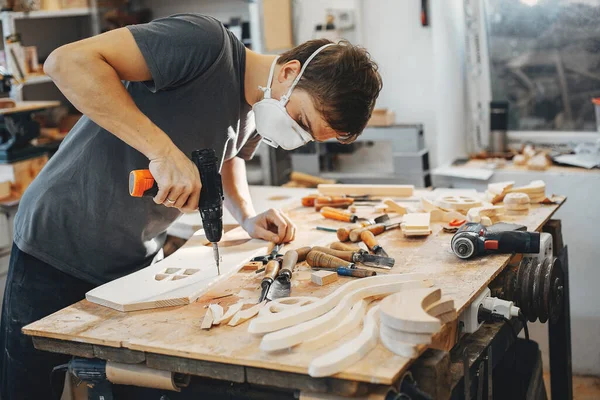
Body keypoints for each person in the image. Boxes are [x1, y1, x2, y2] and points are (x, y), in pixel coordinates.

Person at [0, 13, 382, 399]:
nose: (293, 133)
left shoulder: (258, 110)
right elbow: (66, 62)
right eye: (300, 119)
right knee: (29, 388)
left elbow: (227, 159)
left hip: (133, 259)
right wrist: (162, 152)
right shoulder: (205, 44)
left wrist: (246, 216)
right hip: (56, 241)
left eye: (305, 135)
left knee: (129, 384)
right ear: (289, 72)